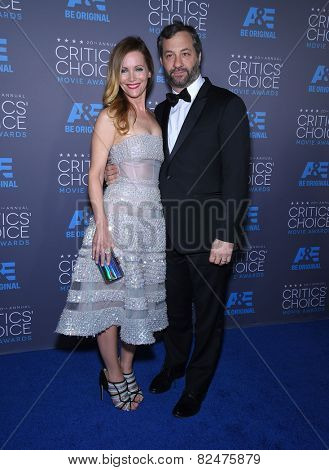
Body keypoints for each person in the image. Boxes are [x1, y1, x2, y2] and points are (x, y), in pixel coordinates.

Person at [106, 22, 250, 417]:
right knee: (171, 312)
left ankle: (196, 387)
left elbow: (238, 175)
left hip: (208, 234)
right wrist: (111, 171)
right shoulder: (160, 110)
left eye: (184, 53)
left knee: (207, 317)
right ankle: (174, 365)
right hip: (160, 234)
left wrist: (227, 234)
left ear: (198, 55)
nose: (177, 62)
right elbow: (144, 163)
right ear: (162, 63)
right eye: (169, 55)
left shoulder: (227, 104)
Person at [56, 36, 168, 412]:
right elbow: (93, 175)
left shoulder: (156, 119)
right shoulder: (111, 115)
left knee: (139, 303)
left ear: (150, 71)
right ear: (116, 75)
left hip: (149, 223)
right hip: (117, 221)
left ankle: (126, 364)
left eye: (139, 68)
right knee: (109, 302)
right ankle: (113, 375)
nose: (132, 76)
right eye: (124, 70)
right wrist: (101, 226)